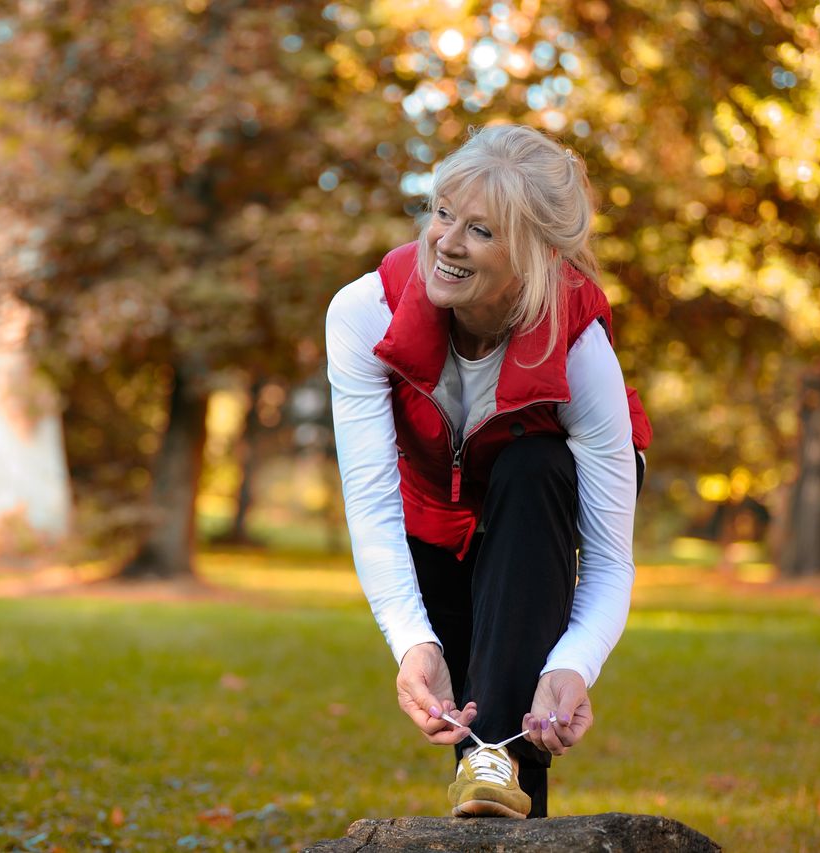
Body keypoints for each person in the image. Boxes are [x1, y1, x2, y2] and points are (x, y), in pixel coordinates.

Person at [325, 124, 651, 819]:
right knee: (475, 691)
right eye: (443, 213)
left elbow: (609, 560)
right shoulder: (364, 314)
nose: (445, 242)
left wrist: (573, 664)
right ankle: (490, 777)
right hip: (431, 507)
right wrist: (413, 643)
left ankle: (502, 775)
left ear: (539, 255)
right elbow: (373, 504)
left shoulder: (581, 351)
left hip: (547, 494)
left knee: (531, 466)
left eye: (480, 230)